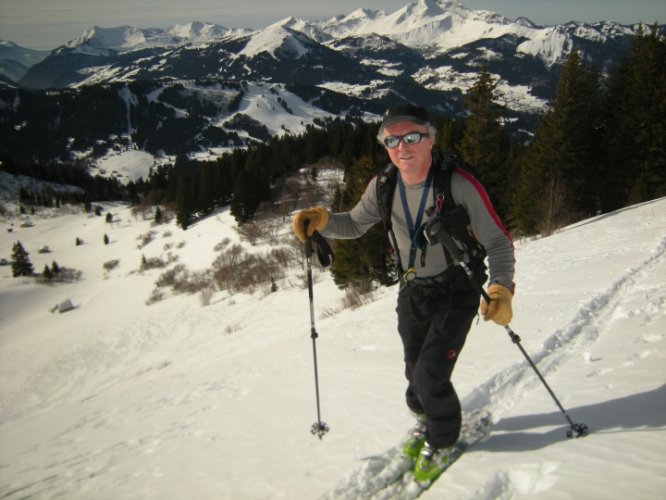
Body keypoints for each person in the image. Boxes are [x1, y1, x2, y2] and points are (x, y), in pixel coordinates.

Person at [291, 104, 515, 482]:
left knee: (430, 374)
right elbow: (356, 224)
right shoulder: (384, 184)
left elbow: (498, 240)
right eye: (392, 140)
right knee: (414, 371)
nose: (402, 147)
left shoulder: (457, 184)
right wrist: (324, 221)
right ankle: (426, 420)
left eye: (412, 137)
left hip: (457, 287)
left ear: (431, 139)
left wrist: (501, 289)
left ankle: (442, 441)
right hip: (413, 290)